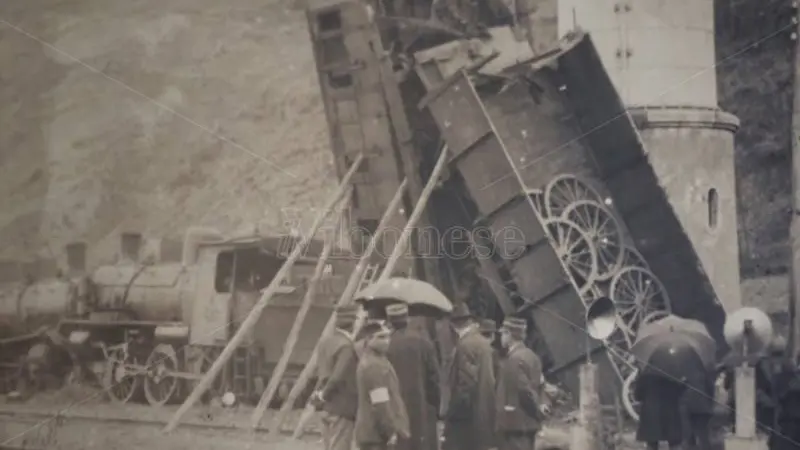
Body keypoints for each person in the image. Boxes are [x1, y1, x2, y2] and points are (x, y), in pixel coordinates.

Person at [441, 303, 496, 450]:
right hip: (483, 409)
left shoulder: (465, 345)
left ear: (453, 325)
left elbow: (466, 384)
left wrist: (452, 413)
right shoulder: (483, 343)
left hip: (467, 415)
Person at [386, 304, 440, 450]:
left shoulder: (387, 344)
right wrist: (435, 403)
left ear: (390, 321)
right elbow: (434, 377)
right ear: (407, 318)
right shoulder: (423, 341)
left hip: (395, 405)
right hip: (421, 405)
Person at [355, 320, 411, 450]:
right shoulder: (373, 366)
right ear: (369, 339)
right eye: (381, 337)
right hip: (376, 435)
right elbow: (380, 402)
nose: (386, 341)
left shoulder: (378, 360)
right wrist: (390, 430)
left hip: (374, 432)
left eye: (388, 336)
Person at [495, 316, 547, 450]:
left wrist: (536, 411)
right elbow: (541, 384)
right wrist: (538, 411)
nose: (501, 338)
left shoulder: (514, 359)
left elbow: (524, 391)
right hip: (528, 423)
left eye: (503, 334)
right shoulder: (532, 356)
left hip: (515, 424)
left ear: (510, 335)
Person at [314, 304, 360, 450]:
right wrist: (325, 395)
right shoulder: (346, 346)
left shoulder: (325, 341)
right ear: (352, 323)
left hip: (324, 405)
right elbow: (338, 376)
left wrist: (321, 396)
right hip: (341, 404)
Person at [634, 372, 686, 450]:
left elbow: (638, 396)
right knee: (675, 443)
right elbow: (680, 393)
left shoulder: (645, 376)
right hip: (671, 413)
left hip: (651, 413)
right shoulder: (673, 374)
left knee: (651, 443)